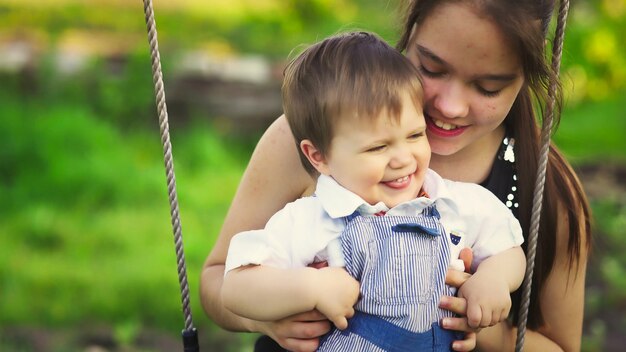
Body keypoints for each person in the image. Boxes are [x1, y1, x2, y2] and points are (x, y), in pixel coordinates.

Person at [200, 1, 591, 351]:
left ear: (528, 74)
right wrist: (269, 313)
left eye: (488, 87)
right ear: (411, 31)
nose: (450, 106)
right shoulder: (312, 137)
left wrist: (485, 328)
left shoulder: (545, 190)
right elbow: (221, 280)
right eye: (431, 68)